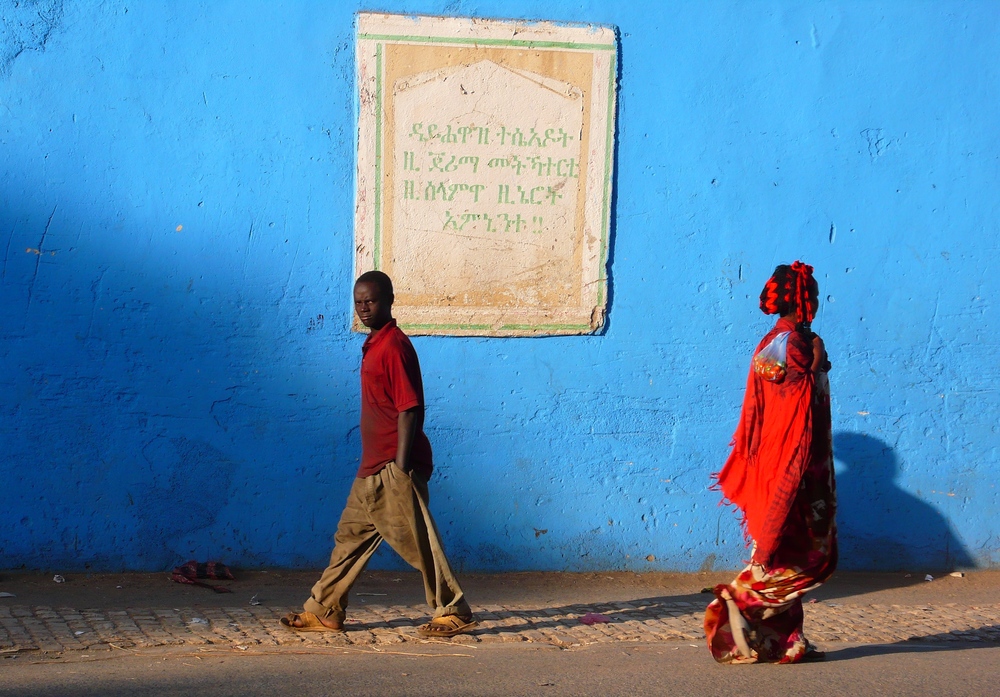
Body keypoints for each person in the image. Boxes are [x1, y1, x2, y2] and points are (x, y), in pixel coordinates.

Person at [281, 271, 476, 637]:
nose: (363, 308)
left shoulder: (394, 347)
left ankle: (453, 609)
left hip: (392, 467)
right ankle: (325, 609)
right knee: (349, 537)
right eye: (358, 302)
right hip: (371, 468)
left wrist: (401, 468)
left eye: (370, 301)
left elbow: (411, 409)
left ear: (388, 300)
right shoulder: (375, 343)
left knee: (416, 540)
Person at [704, 261, 837, 664]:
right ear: (805, 300)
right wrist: (817, 358)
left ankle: (786, 641)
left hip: (776, 462)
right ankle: (739, 600)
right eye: (812, 293)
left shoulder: (771, 343)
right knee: (811, 558)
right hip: (798, 469)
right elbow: (797, 412)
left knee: (787, 554)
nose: (816, 300)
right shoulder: (796, 347)